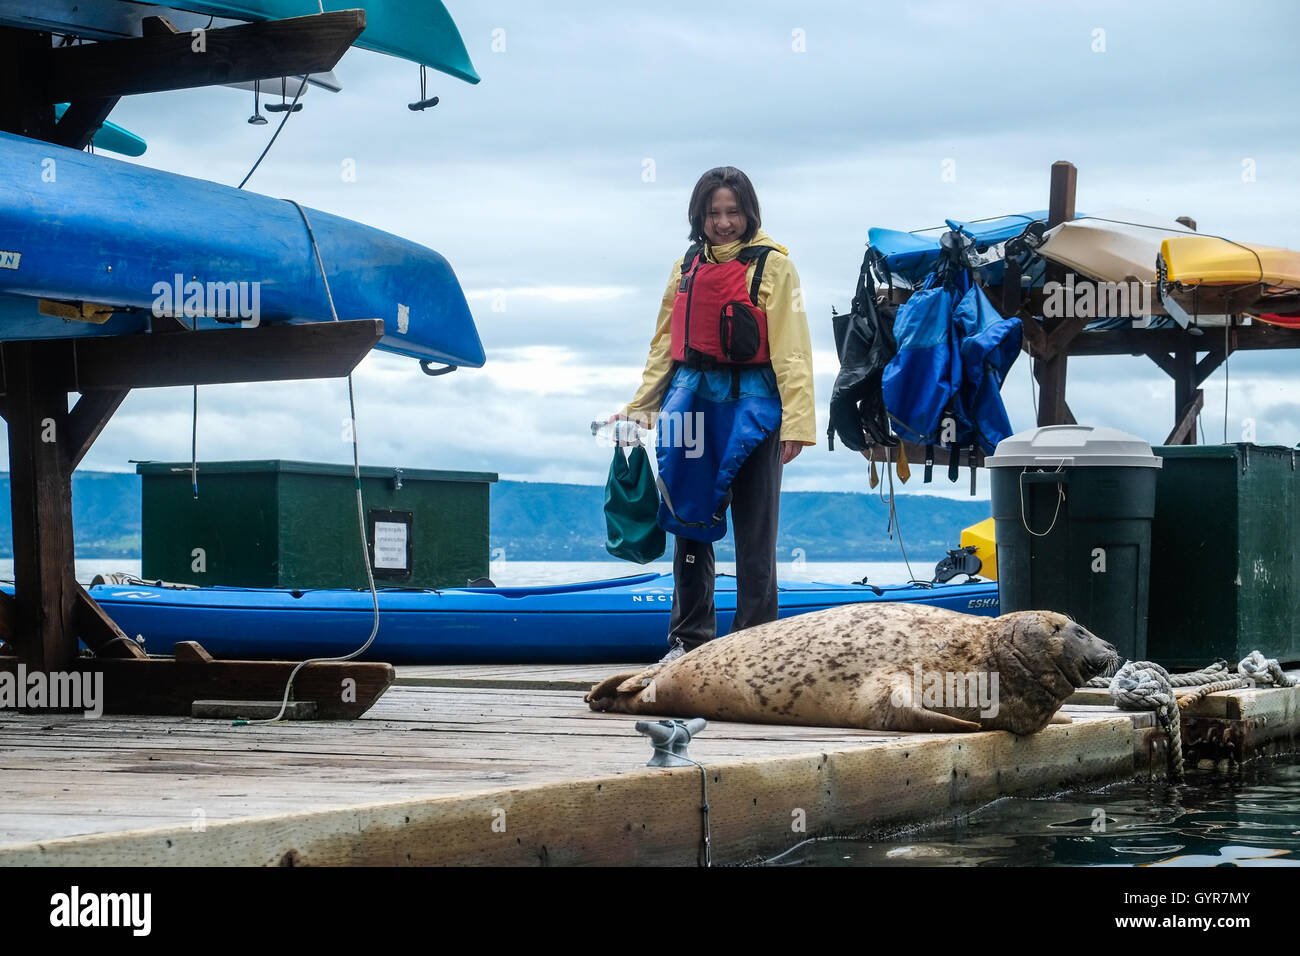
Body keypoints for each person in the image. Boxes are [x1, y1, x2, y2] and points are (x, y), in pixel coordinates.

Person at [611, 166, 815, 662]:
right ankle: (688, 640)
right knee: (688, 524)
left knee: (755, 529)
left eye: (733, 212)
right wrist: (640, 407)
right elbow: (665, 343)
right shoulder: (685, 267)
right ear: (698, 215)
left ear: (749, 212)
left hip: (755, 407)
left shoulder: (774, 266)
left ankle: (755, 646)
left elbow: (792, 349)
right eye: (713, 213)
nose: (724, 223)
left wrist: (798, 423)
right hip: (691, 402)